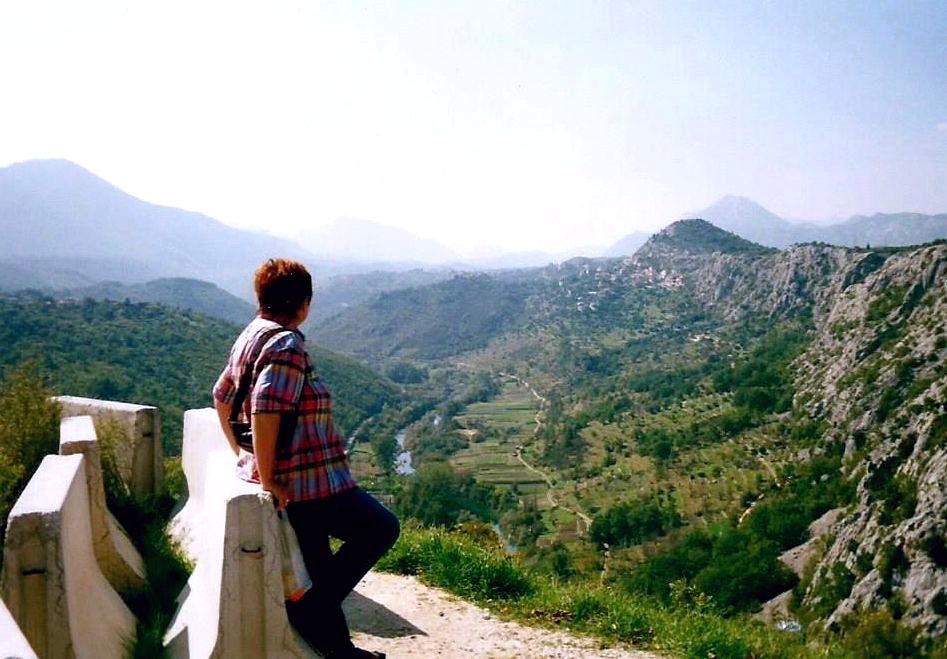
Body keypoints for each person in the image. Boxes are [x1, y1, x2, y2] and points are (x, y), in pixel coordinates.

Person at [213, 258, 399, 659]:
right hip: (308, 482)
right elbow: (266, 409)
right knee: (381, 528)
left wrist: (242, 455)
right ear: (304, 303)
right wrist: (268, 478)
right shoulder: (286, 344)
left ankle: (339, 650)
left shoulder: (251, 335)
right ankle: (309, 610)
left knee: (319, 567)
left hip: (292, 479)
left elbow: (221, 396)